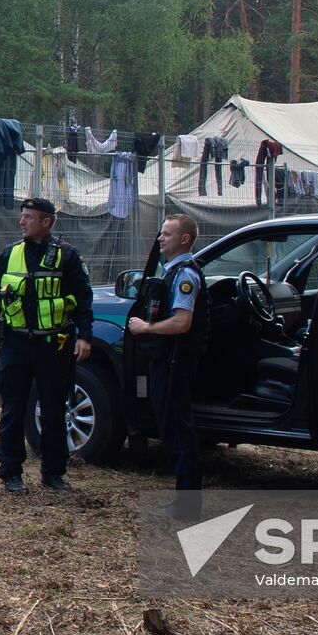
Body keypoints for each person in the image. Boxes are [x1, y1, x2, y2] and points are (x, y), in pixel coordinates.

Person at [0, 197, 92, 494]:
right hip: (16, 343)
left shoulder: (67, 257)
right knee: (13, 408)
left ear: (46, 222)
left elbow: (84, 300)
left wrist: (85, 336)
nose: (22, 222)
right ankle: (10, 471)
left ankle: (53, 473)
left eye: (28, 217)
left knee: (53, 410)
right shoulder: (9, 254)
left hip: (54, 345)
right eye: (22, 216)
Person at [127, 214, 208, 504]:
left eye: (167, 234)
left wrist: (147, 328)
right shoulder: (172, 272)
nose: (161, 238)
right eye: (161, 233)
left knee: (178, 428)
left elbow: (182, 322)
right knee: (171, 426)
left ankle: (187, 501)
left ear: (184, 239)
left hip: (176, 363)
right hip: (166, 361)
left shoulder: (185, 275)